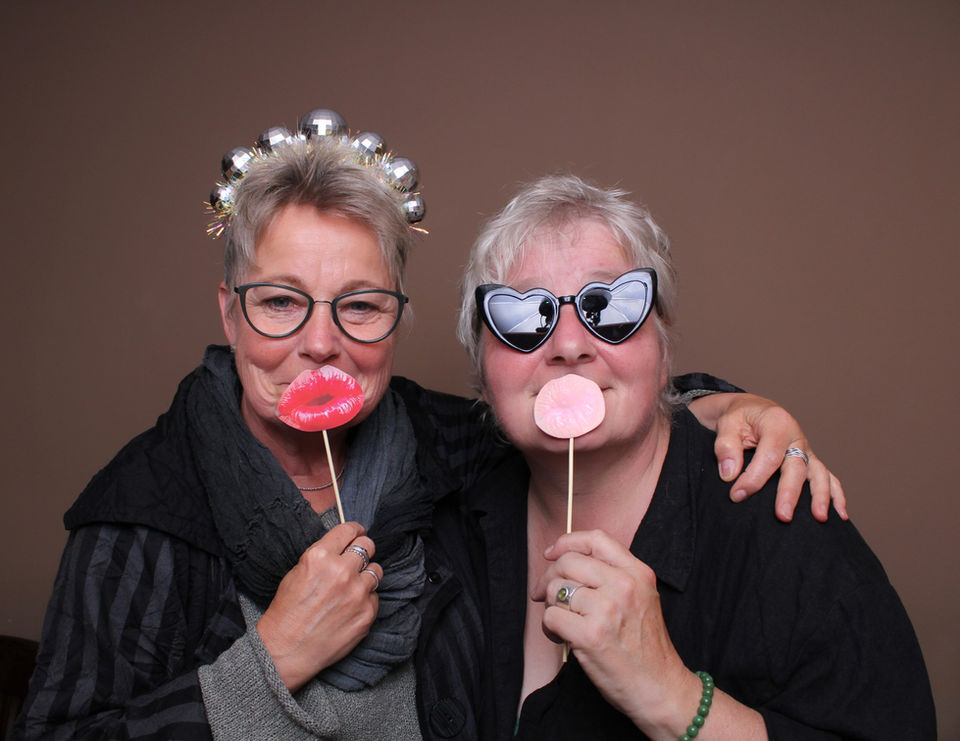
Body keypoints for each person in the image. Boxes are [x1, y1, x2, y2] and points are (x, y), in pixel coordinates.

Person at [14, 111, 843, 741]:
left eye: (361, 306)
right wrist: (269, 663)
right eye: (278, 302)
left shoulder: (445, 447)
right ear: (229, 316)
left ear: (398, 321)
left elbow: (570, 398)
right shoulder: (144, 514)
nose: (320, 342)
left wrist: (728, 404)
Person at [441, 174, 935, 739]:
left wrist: (672, 696)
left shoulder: (780, 518)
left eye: (611, 306)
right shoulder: (443, 508)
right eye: (524, 317)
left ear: (662, 341)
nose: (570, 345)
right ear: (481, 368)